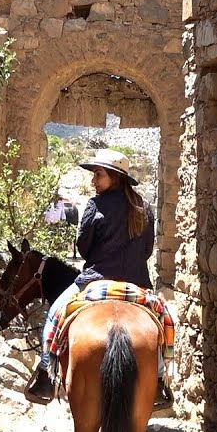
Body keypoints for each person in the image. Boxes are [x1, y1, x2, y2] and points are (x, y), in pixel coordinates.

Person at [25, 149, 175, 409]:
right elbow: (148, 249)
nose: (93, 181)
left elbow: (83, 247)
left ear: (114, 176)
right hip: (136, 283)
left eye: (98, 175)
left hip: (95, 281)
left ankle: (45, 374)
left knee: (54, 315)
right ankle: (160, 380)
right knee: (164, 321)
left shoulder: (96, 205)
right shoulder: (145, 208)